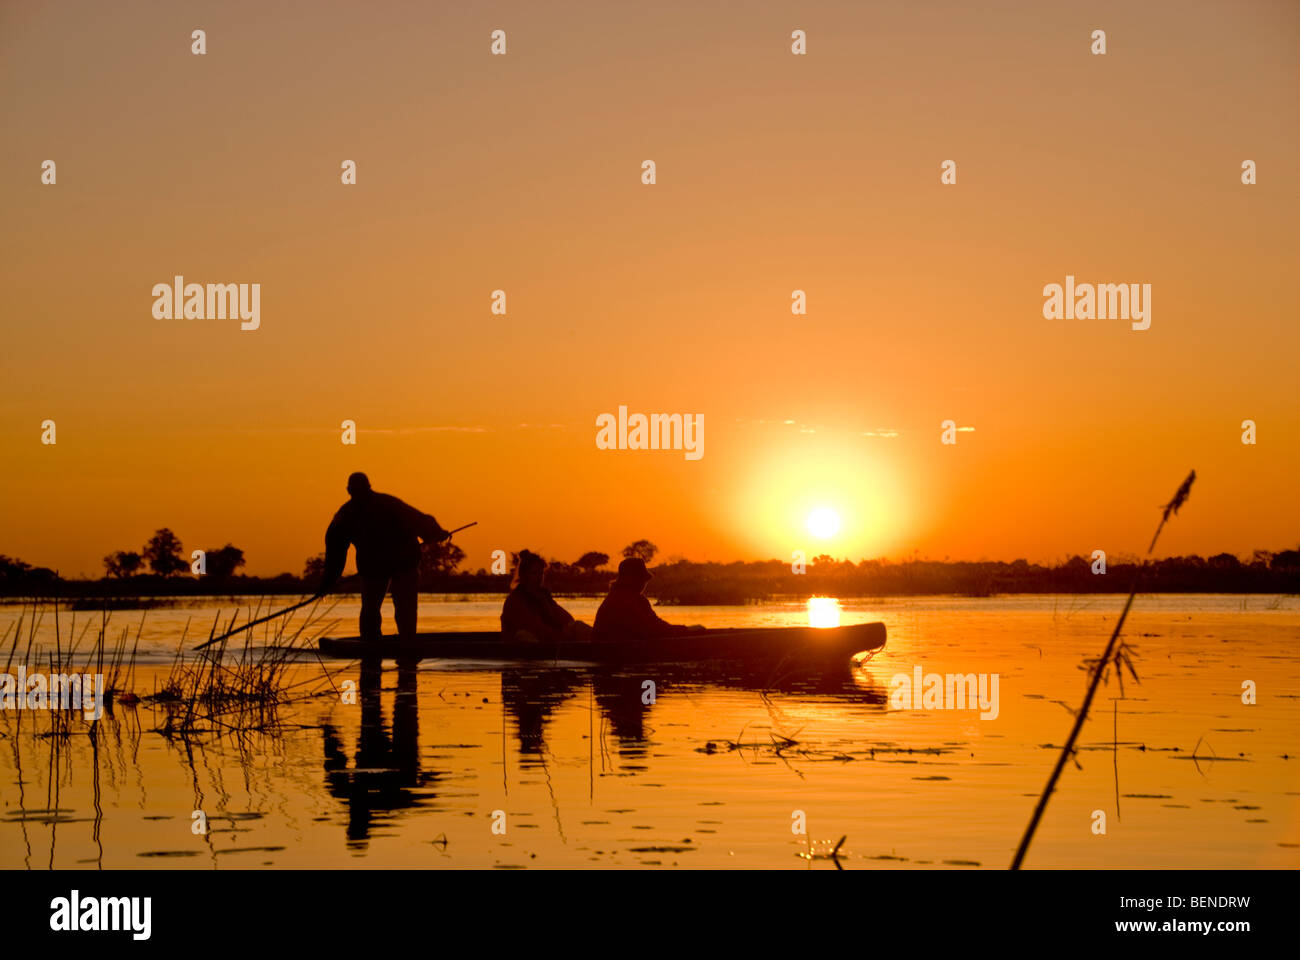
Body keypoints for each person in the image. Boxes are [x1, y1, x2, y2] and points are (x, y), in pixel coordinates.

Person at [320, 472, 450, 645]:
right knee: (376, 609)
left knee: (397, 608)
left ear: (349, 490)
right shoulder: (348, 515)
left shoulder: (372, 508)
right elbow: (335, 550)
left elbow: (419, 521)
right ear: (350, 491)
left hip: (401, 563)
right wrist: (328, 582)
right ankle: (379, 645)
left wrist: (436, 533)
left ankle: (400, 645)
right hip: (375, 568)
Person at [593, 557, 697, 641]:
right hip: (617, 649)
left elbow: (655, 625)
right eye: (642, 580)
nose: (644, 584)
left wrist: (683, 630)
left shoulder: (620, 596)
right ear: (632, 580)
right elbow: (653, 628)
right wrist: (685, 630)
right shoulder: (626, 600)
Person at [500, 550, 592, 643]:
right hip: (526, 640)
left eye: (541, 573)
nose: (539, 577)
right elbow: (534, 627)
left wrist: (566, 628)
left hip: (548, 636)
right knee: (524, 636)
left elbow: (567, 618)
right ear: (523, 576)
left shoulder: (543, 596)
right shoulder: (515, 600)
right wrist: (560, 635)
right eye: (534, 573)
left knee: (577, 626)